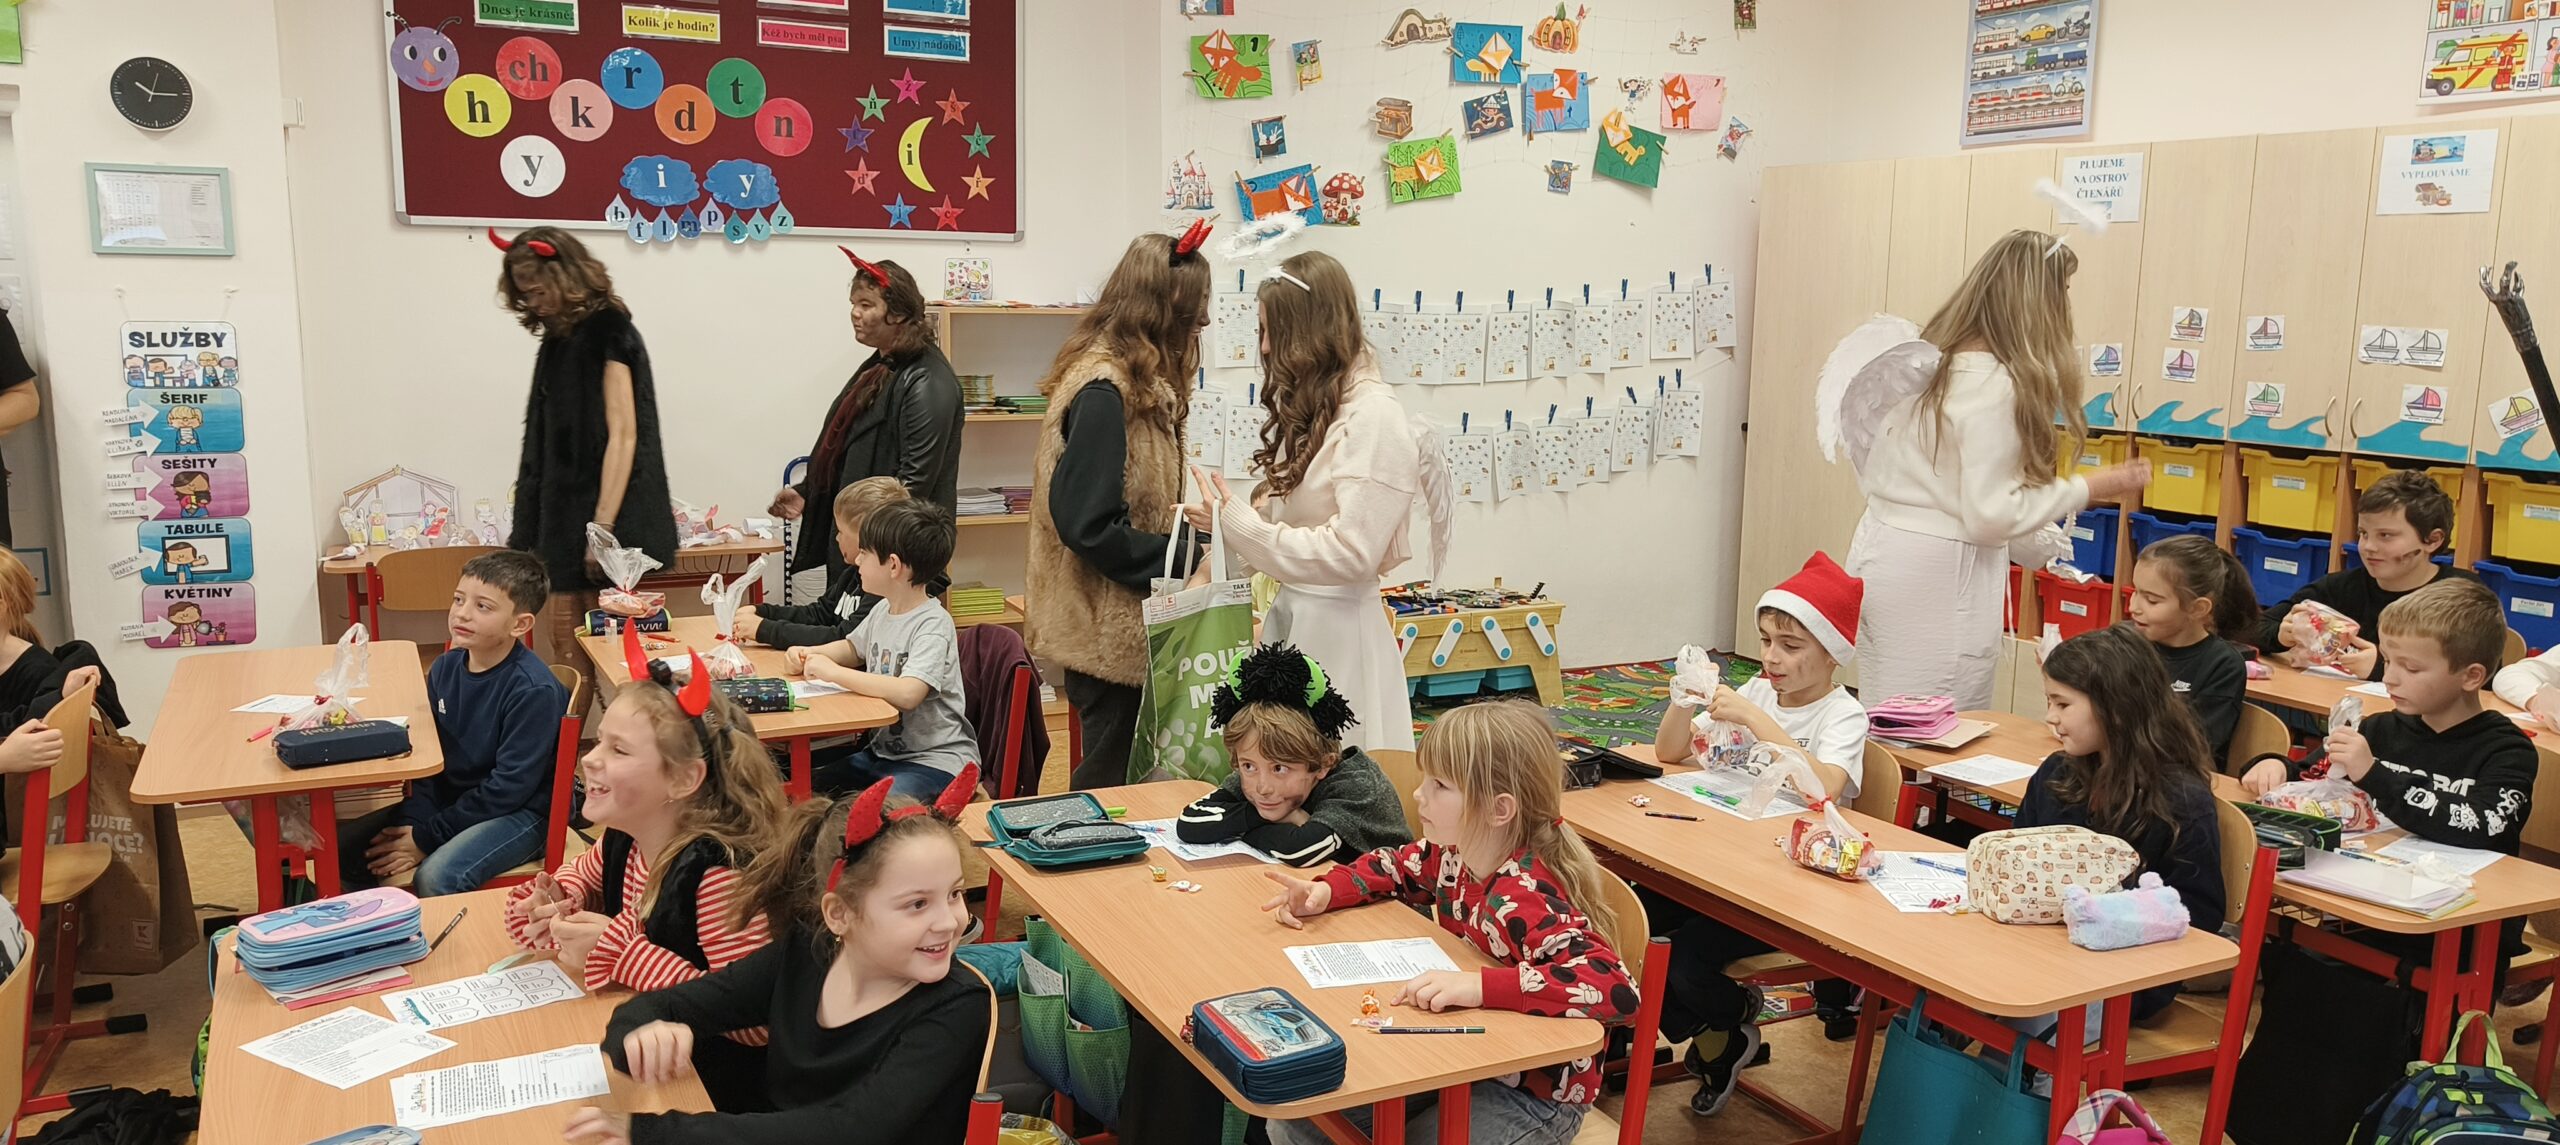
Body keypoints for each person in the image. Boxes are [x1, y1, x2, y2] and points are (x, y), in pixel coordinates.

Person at [1261, 701, 1638, 1145]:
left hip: (1535, 1094)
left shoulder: (1526, 895)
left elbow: (1615, 988)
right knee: (1297, 1122)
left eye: (1439, 785)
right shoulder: (1454, 856)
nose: (1419, 794)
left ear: (1498, 809)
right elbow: (1394, 866)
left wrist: (1479, 987)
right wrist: (1326, 891)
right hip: (1466, 1059)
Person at [565, 766, 989, 1145]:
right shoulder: (808, 951)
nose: (950, 921)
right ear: (839, 914)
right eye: (918, 904)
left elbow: (850, 1129)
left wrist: (655, 1133)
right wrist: (639, 1039)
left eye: (955, 894)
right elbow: (665, 1006)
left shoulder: (958, 1006)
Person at [1846, 230, 2150, 709]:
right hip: (1938, 579)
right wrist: (2087, 487)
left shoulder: (1933, 363)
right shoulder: (1993, 383)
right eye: (2064, 291)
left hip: (1885, 556)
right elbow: (1990, 515)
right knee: (1935, 723)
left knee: (1890, 712)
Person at [507, 628, 790, 1110]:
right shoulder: (627, 836)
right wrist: (558, 899)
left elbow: (755, 1024)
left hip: (713, 1095)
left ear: (682, 779)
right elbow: (582, 876)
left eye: (618, 750)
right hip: (650, 1058)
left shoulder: (718, 876)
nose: (590, 759)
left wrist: (622, 954)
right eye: (599, 741)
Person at [1182, 251, 1446, 756]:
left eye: (1271, 331)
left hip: (1340, 637)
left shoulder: (1374, 417)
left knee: (1335, 773)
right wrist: (1220, 548)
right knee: (1279, 775)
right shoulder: (1320, 407)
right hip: (1295, 623)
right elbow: (1287, 526)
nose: (1264, 347)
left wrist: (1243, 526)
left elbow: (1352, 553)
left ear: (1310, 330)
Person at [1641, 552, 1870, 1114]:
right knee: (1629, 920)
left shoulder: (1842, 715)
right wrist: (1682, 702)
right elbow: (1668, 752)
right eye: (1766, 640)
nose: (1771, 657)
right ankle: (1715, 1034)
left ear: (1832, 653)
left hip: (1789, 892)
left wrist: (1753, 717)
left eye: (1790, 645)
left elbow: (1824, 789)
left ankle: (1734, 1016)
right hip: (1725, 865)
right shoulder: (1760, 691)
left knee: (1686, 961)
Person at [1025, 226, 1214, 790]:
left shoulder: (1138, 388)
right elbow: (1089, 526)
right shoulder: (1104, 393)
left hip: (1129, 626)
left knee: (1131, 781)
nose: (1204, 322)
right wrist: (1186, 554)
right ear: (1160, 309)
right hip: (1107, 635)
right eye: (1195, 309)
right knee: (1109, 787)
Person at [2021, 623, 2224, 1029]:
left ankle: (2015, 1073)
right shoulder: (2057, 774)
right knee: (1949, 990)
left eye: (2063, 704)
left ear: (2115, 707)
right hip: (2043, 948)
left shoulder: (2180, 801)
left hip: (2127, 976)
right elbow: (2018, 856)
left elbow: (2199, 914)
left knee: (2032, 1019)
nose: (2050, 717)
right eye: (2049, 701)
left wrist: (2115, 917)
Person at [493, 226, 679, 668]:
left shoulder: (610, 331)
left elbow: (625, 435)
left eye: (539, 292)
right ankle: (574, 718)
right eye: (526, 295)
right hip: (564, 518)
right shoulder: (557, 340)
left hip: (608, 517)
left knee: (613, 655)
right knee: (566, 645)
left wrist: (602, 532)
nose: (534, 304)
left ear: (565, 277)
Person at [340, 551, 566, 897]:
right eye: (459, 599)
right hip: (461, 800)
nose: (462, 613)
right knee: (346, 851)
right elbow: (429, 759)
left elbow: (509, 789)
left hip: (524, 812)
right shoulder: (445, 668)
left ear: (519, 625)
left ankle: (453, 932)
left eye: (483, 606)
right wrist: (414, 823)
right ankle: (382, 922)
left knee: (436, 877)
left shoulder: (532, 690)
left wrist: (427, 837)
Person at [769, 251, 963, 592]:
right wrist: (808, 492)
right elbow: (847, 448)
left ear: (898, 313)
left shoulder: (928, 381)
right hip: (864, 548)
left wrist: (866, 547)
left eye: (866, 305)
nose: (855, 314)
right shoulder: (881, 366)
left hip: (894, 558)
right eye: (853, 304)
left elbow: (912, 485)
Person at [783, 501, 973, 801]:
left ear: (893, 566)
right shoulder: (883, 609)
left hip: (934, 762)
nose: (857, 560)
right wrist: (811, 654)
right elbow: (852, 647)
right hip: (882, 755)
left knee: (878, 808)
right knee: (808, 792)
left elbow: (909, 693)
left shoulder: (933, 624)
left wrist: (834, 673)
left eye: (865, 553)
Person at [1175, 643, 1411, 866]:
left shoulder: (1357, 785)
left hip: (1389, 895)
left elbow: (1299, 850)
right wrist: (1283, 816)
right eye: (1247, 766)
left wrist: (1238, 828)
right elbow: (1190, 823)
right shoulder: (1263, 769)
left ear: (1323, 766)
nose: (1262, 787)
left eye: (1279, 769)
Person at [2255, 470, 2473, 681]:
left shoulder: (2462, 596)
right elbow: (2251, 627)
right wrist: (2281, 635)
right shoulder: (2340, 587)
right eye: (2363, 533)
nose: (2368, 546)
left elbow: (2477, 671)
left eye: (2385, 535)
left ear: (2432, 540)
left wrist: (2383, 667)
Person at [2123, 535, 2258, 764]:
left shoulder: (2223, 665)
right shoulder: (2124, 641)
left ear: (2197, 608)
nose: (2133, 607)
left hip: (2171, 776)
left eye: (2152, 600)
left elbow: (2190, 747)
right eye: (2135, 592)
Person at [740, 477, 908, 651]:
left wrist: (764, 629)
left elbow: (844, 639)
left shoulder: (882, 590)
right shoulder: (852, 574)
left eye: (841, 532)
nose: (837, 538)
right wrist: (763, 612)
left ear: (864, 538)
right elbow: (820, 613)